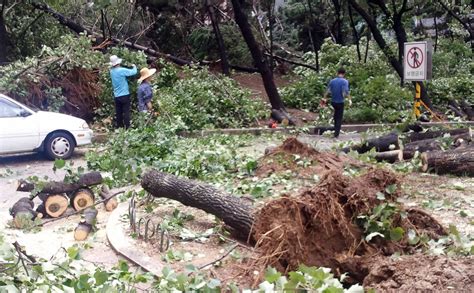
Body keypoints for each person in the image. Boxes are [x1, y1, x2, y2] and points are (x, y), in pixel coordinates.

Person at [109, 55, 137, 129]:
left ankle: (119, 128)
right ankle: (127, 128)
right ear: (118, 63)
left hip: (117, 96)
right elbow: (133, 72)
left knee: (119, 113)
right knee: (126, 112)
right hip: (125, 95)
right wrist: (134, 66)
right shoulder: (121, 70)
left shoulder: (111, 72)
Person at [323, 68, 352, 138]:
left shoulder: (332, 81)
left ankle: (335, 130)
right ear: (344, 74)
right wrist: (349, 99)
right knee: (339, 118)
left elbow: (328, 91)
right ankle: (336, 134)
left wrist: (324, 99)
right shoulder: (345, 81)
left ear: (337, 73)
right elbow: (346, 91)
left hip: (333, 102)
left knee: (335, 117)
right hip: (340, 102)